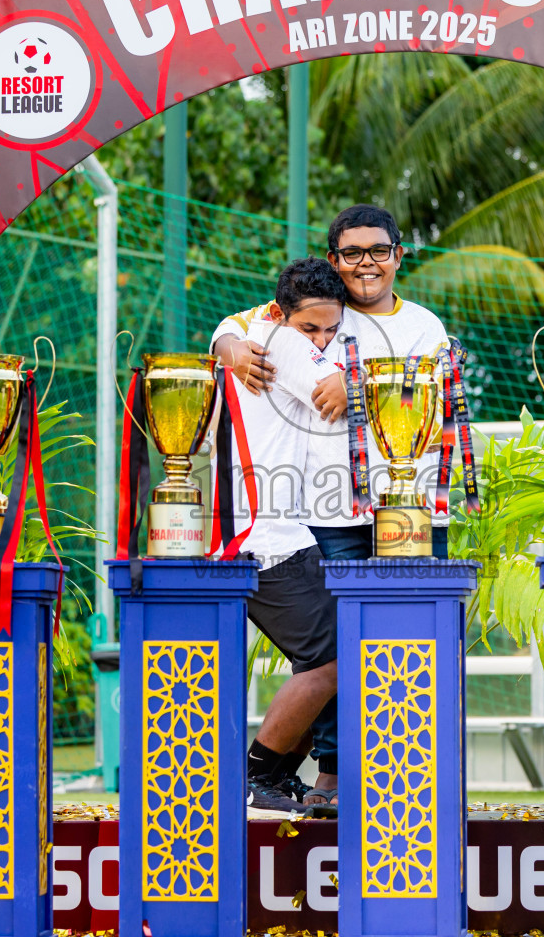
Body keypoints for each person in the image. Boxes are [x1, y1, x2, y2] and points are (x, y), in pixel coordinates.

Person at [212, 204, 452, 561]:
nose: (366, 262)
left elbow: (436, 397)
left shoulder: (425, 325)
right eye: (352, 253)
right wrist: (231, 349)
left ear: (398, 256)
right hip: (329, 515)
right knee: (340, 617)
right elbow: (236, 325)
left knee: (414, 612)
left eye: (379, 251)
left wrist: (355, 382)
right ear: (334, 260)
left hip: (414, 509)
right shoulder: (320, 307)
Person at [221, 258, 349, 811]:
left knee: (325, 658)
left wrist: (225, 338)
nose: (320, 340)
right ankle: (257, 775)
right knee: (334, 662)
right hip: (269, 535)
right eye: (310, 328)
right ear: (280, 314)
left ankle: (281, 776)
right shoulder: (285, 347)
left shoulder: (247, 328)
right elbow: (334, 395)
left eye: (330, 329)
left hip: (264, 529)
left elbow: (226, 328)